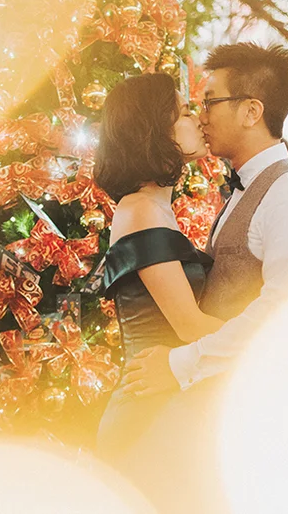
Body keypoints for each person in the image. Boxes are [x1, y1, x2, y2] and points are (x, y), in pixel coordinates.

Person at [120, 42, 288, 512]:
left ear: (251, 111)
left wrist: (179, 365)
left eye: (211, 101)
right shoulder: (241, 190)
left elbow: (279, 316)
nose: (202, 116)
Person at [92, 72, 224, 462]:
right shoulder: (140, 211)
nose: (198, 119)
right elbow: (190, 327)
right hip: (146, 416)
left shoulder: (155, 209)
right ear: (153, 131)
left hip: (167, 405)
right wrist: (275, 337)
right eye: (184, 112)